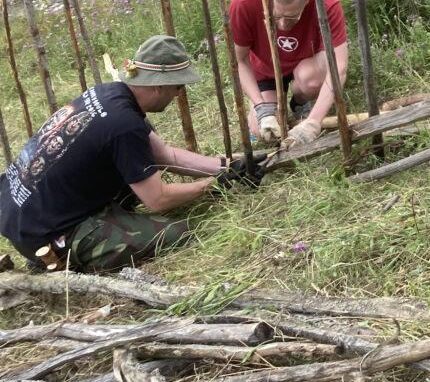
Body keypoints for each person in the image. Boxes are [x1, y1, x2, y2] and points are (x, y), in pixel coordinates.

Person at [0, 35, 263, 273]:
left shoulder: (110, 95)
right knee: (177, 232)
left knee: (134, 172)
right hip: (47, 236)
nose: (178, 95)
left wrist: (228, 166)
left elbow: (164, 156)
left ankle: (101, 223)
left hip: (23, 215)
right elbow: (157, 200)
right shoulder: (124, 125)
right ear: (160, 86)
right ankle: (73, 253)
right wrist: (215, 185)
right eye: (178, 87)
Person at [229, 0, 348, 149]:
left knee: (311, 80)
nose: (283, 25)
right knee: (260, 130)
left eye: (292, 17)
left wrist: (313, 122)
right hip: (265, 70)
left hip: (307, 63)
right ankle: (263, 108)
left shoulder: (325, 2)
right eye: (277, 16)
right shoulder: (244, 2)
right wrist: (261, 108)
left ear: (306, 1)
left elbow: (339, 66)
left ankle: (300, 102)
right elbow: (241, 61)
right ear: (268, 0)